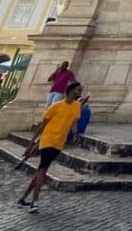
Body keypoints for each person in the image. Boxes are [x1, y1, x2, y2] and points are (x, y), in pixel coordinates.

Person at [16, 80, 83, 213]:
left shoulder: (77, 106)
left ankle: (23, 198)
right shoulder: (55, 106)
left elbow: (74, 124)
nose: (80, 92)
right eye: (78, 90)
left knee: (42, 172)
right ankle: (34, 202)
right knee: (42, 168)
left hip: (59, 142)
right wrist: (31, 143)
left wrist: (76, 135)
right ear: (71, 91)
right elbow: (43, 125)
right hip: (47, 140)